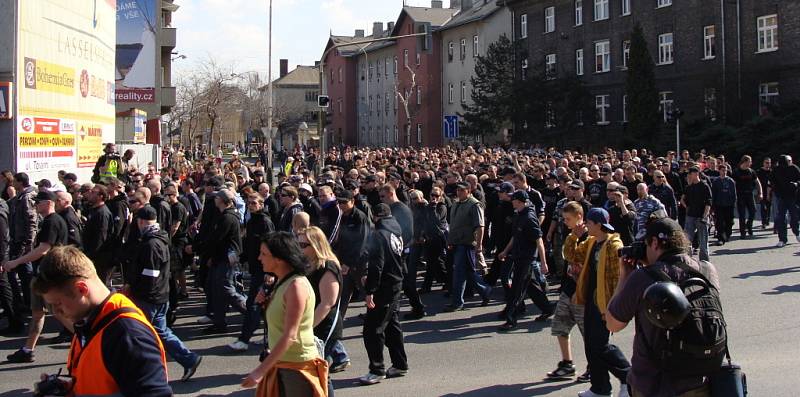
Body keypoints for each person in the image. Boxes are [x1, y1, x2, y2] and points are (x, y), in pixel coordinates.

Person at [33, 246, 172, 396]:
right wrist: (68, 388)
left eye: (58, 303)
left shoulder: (128, 334)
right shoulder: (93, 321)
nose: (55, 312)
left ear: (81, 289)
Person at [607, 217, 719, 397]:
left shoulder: (643, 277)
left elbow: (613, 323)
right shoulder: (706, 270)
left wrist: (625, 275)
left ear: (654, 242)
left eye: (645, 244)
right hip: (701, 379)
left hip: (655, 383)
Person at [241, 232, 328, 396]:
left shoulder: (296, 286)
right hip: (282, 363)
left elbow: (291, 335)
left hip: (297, 367)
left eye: (264, 254)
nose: (259, 258)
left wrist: (260, 371)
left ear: (279, 258)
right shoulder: (282, 281)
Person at [124, 206, 202, 381]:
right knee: (161, 331)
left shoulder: (151, 244)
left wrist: (134, 288)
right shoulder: (160, 238)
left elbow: (150, 274)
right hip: (159, 294)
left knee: (138, 334)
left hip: (149, 297)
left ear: (141, 222)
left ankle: (142, 371)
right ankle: (189, 359)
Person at [563, 208, 630, 397]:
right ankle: (600, 388)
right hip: (591, 300)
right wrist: (573, 237)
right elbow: (572, 255)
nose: (585, 225)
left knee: (601, 345)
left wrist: (610, 307)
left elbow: (616, 279)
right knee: (591, 345)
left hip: (605, 303)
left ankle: (628, 377)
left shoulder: (613, 245)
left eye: (589, 223)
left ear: (598, 225)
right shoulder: (592, 242)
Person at [3, 190, 68, 363]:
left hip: (49, 274)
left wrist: (16, 262)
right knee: (38, 313)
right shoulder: (48, 221)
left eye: (38, 202)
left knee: (59, 313)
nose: (35, 205)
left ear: (48, 203)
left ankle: (88, 341)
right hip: (43, 274)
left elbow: (44, 249)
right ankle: (27, 350)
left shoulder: (52, 221)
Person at [359, 204, 409, 385]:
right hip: (395, 282)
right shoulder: (396, 231)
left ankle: (377, 369)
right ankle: (400, 364)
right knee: (392, 326)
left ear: (376, 217)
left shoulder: (379, 234)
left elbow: (376, 265)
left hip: (384, 287)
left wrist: (370, 290)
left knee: (372, 329)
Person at [496, 190, 551, 331]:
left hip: (527, 259)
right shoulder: (519, 215)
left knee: (517, 290)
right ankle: (547, 308)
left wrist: (543, 263)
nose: (511, 201)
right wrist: (505, 251)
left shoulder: (529, 218)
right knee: (531, 287)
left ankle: (511, 319)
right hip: (518, 256)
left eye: (513, 199)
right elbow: (515, 237)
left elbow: (539, 241)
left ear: (519, 201)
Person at [547, 202, 589, 383]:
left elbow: (577, 258)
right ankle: (567, 363)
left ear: (579, 217)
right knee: (559, 326)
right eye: (564, 219)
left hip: (583, 293)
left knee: (588, 333)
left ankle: (593, 366)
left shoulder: (590, 236)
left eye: (568, 219)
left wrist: (577, 238)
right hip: (568, 287)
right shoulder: (571, 234)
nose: (565, 222)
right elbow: (566, 255)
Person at [229, 193, 275, 352]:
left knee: (253, 304)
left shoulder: (265, 222)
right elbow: (249, 245)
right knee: (262, 306)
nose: (251, 205)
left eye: (254, 203)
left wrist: (270, 270)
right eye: (249, 203)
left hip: (265, 269)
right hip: (255, 268)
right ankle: (271, 336)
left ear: (261, 204)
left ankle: (244, 339)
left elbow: (270, 246)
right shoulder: (251, 221)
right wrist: (241, 258)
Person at [300, 227, 345, 376]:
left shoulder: (327, 267)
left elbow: (327, 303)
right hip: (313, 321)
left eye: (303, 245)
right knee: (317, 370)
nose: (300, 249)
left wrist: (307, 326)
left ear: (316, 245)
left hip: (325, 324)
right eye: (298, 244)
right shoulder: (309, 264)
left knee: (318, 371)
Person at [201, 189, 247, 334]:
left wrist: (207, 254)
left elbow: (217, 239)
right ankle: (219, 322)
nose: (215, 200)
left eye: (217, 198)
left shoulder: (228, 218)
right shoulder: (224, 215)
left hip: (225, 259)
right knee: (215, 289)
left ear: (222, 200)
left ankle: (252, 313)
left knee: (226, 289)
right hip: (219, 258)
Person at [445, 182, 492, 312]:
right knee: (468, 272)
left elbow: (480, 226)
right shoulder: (456, 203)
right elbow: (453, 224)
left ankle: (457, 302)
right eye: (457, 190)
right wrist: (450, 240)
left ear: (468, 191)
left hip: (467, 243)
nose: (458, 192)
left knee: (459, 273)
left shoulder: (474, 204)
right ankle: (485, 290)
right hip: (456, 242)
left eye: (461, 190)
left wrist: (479, 245)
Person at [380, 184, 424, 319]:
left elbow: (407, 233)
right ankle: (396, 310)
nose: (381, 199)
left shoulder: (402, 209)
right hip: (393, 251)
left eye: (383, 196)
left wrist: (398, 247)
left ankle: (415, 308)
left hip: (401, 252)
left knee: (402, 282)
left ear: (391, 194)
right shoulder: (390, 208)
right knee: (401, 281)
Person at [8, 172, 38, 311]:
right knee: (22, 272)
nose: (12, 183)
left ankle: (30, 303)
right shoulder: (20, 197)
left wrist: (29, 243)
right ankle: (25, 302)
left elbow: (31, 221)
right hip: (17, 239)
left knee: (26, 274)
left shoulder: (27, 197)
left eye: (14, 181)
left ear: (20, 182)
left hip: (24, 242)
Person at [82, 184, 115, 283]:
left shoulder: (102, 213)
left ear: (101, 196)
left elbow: (101, 237)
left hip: (100, 258)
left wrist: (91, 257)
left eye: (93, 192)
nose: (89, 194)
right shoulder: (93, 210)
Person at [681, 167, 712, 260]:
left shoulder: (704, 186)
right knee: (687, 240)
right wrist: (687, 207)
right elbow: (682, 199)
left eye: (690, 174)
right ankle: (687, 260)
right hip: (690, 216)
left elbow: (708, 202)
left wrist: (705, 216)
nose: (689, 176)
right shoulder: (689, 187)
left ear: (696, 174)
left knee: (703, 242)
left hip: (701, 216)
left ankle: (704, 261)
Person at [770, 155, 800, 247]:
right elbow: (772, 181)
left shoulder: (794, 168)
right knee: (781, 218)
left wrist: (796, 183)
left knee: (794, 217)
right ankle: (782, 239)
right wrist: (776, 190)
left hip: (793, 197)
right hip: (781, 197)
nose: (788, 164)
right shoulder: (776, 170)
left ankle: (797, 232)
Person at [731, 155, 762, 239]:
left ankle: (749, 225)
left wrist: (760, 193)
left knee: (753, 211)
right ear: (744, 161)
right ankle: (742, 232)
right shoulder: (736, 172)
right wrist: (734, 196)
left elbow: (757, 182)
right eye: (749, 161)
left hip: (749, 194)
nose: (751, 163)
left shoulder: (751, 171)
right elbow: (732, 184)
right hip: (740, 194)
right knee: (742, 214)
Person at [710, 166, 736, 245]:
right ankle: (720, 238)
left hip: (729, 205)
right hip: (719, 205)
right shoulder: (716, 181)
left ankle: (727, 234)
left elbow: (734, 194)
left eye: (725, 170)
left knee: (729, 221)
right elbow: (713, 194)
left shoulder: (730, 181)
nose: (724, 172)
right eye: (722, 170)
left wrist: (733, 203)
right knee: (720, 222)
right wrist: (712, 206)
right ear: (719, 171)